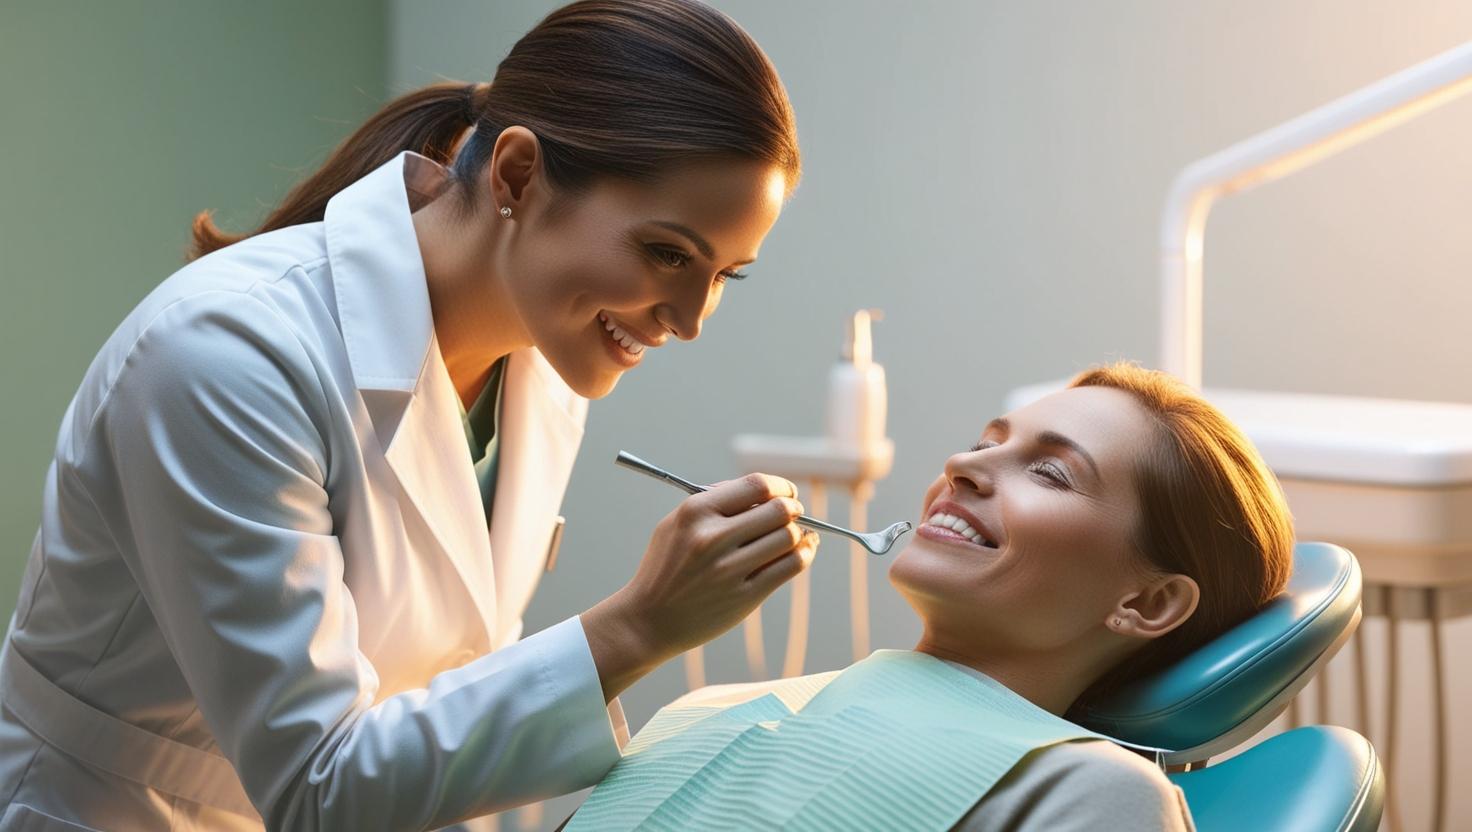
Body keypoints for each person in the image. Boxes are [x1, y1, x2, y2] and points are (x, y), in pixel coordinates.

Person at [0, 2, 818, 830]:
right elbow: (322, 787)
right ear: (518, 176)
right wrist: (640, 625)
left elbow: (438, 710)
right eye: (666, 253)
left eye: (725, 275)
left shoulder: (546, 364)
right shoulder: (226, 355)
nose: (688, 319)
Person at [561, 363, 1295, 831]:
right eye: (986, 442)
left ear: (1148, 603)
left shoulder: (1094, 794)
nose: (963, 465)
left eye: (1050, 474)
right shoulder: (710, 710)